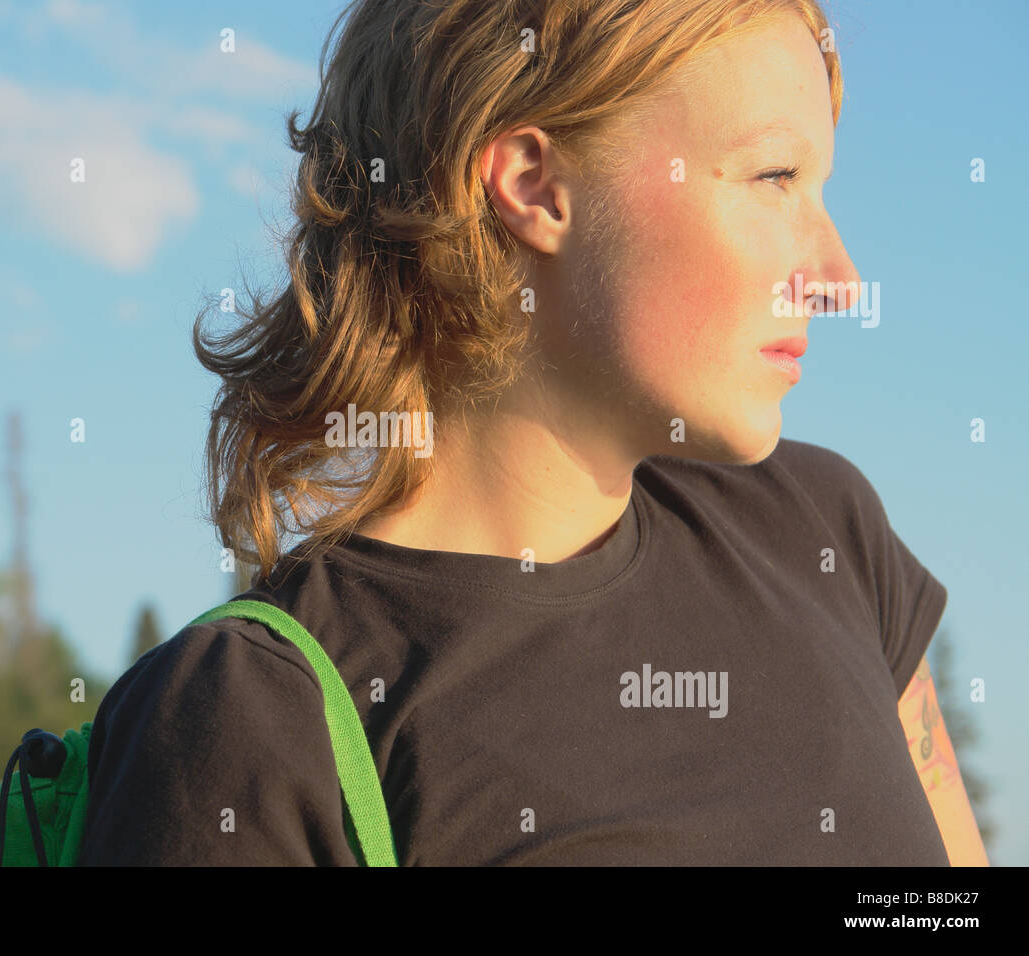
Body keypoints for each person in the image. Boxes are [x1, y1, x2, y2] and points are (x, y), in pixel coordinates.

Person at [80, 0, 988, 865]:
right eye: (775, 177)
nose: (839, 278)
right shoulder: (258, 719)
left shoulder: (821, 533)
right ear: (535, 186)